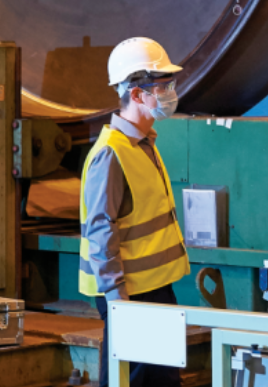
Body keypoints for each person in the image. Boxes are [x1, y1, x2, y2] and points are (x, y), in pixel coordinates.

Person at [79, 37, 189, 387]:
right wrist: (117, 299)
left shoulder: (142, 143)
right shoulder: (111, 154)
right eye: (162, 86)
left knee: (159, 380)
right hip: (132, 293)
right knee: (136, 380)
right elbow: (100, 230)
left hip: (153, 287)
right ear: (137, 94)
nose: (170, 92)